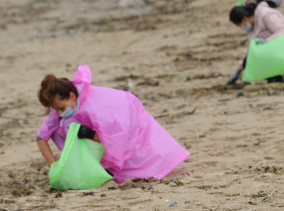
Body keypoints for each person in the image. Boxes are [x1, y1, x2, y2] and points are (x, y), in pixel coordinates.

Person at [36, 65, 189, 183]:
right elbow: (41, 137)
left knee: (142, 158)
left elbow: (115, 138)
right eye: (56, 110)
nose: (60, 114)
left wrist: (89, 134)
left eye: (62, 108)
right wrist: (54, 165)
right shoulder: (57, 112)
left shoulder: (95, 106)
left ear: (72, 96)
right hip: (97, 147)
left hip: (125, 127)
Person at [227, 1, 284, 84]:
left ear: (245, 19)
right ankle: (275, 77)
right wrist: (239, 70)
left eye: (239, 25)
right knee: (247, 61)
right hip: (274, 52)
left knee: (258, 55)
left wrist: (267, 41)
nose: (241, 27)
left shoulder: (266, 14)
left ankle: (278, 75)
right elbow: (250, 49)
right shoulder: (251, 28)